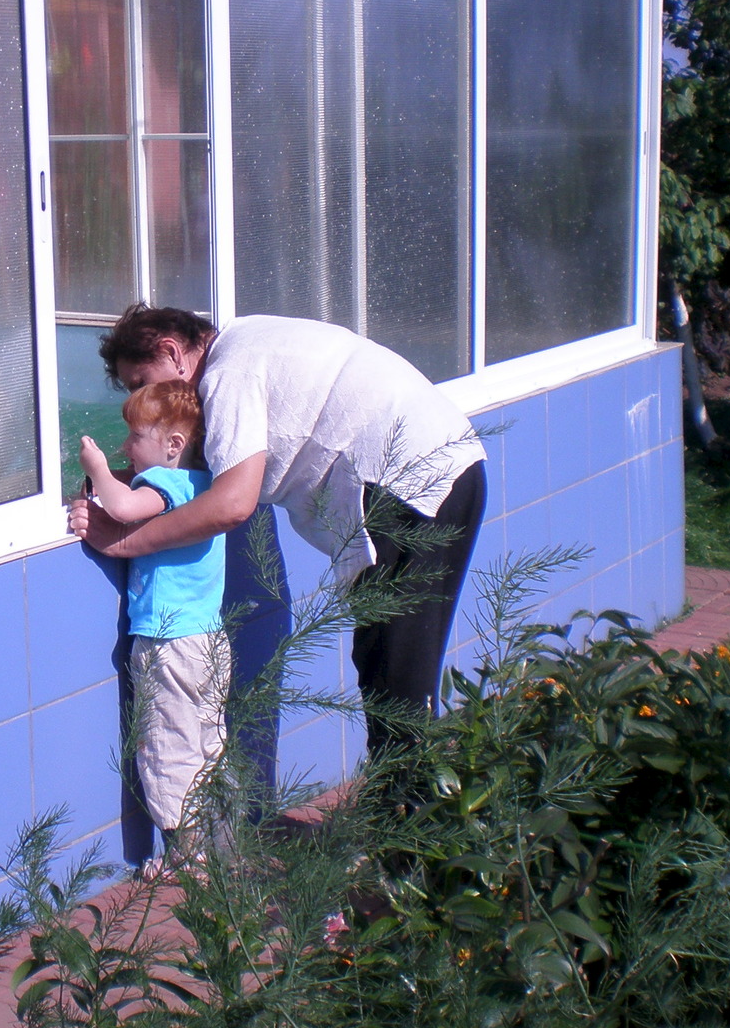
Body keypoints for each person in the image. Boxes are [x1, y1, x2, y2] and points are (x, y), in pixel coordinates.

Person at [69, 305, 485, 753]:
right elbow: (195, 465)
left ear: (173, 353)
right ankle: (412, 802)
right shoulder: (247, 343)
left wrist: (126, 541)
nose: (147, 398)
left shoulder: (230, 372)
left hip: (410, 485)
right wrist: (117, 482)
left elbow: (231, 503)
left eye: (141, 383)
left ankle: (413, 809)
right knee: (391, 667)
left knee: (396, 678)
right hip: (443, 469)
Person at [78, 379, 231, 863]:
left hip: (169, 645)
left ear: (172, 446)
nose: (126, 446)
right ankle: (217, 843)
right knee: (206, 742)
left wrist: (96, 468)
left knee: (167, 747)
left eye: (134, 437)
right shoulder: (203, 485)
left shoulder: (161, 484)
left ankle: (188, 859)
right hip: (207, 640)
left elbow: (123, 507)